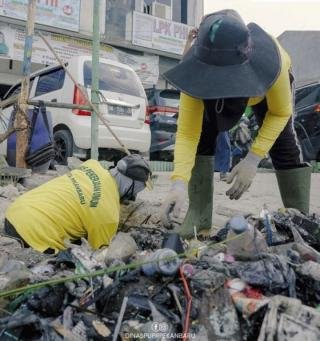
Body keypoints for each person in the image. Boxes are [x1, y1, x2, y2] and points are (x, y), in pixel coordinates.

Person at [160, 9, 311, 239]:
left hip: (262, 90)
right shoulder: (196, 71)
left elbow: (280, 113)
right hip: (212, 95)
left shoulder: (274, 64)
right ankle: (199, 216)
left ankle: (299, 220)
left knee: (284, 144)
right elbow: (188, 134)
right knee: (202, 137)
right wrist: (178, 183)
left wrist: (252, 159)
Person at [4, 154, 151, 253]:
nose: (135, 195)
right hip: (33, 234)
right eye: (138, 189)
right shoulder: (108, 215)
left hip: (14, 212)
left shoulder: (92, 165)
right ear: (130, 185)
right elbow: (99, 253)